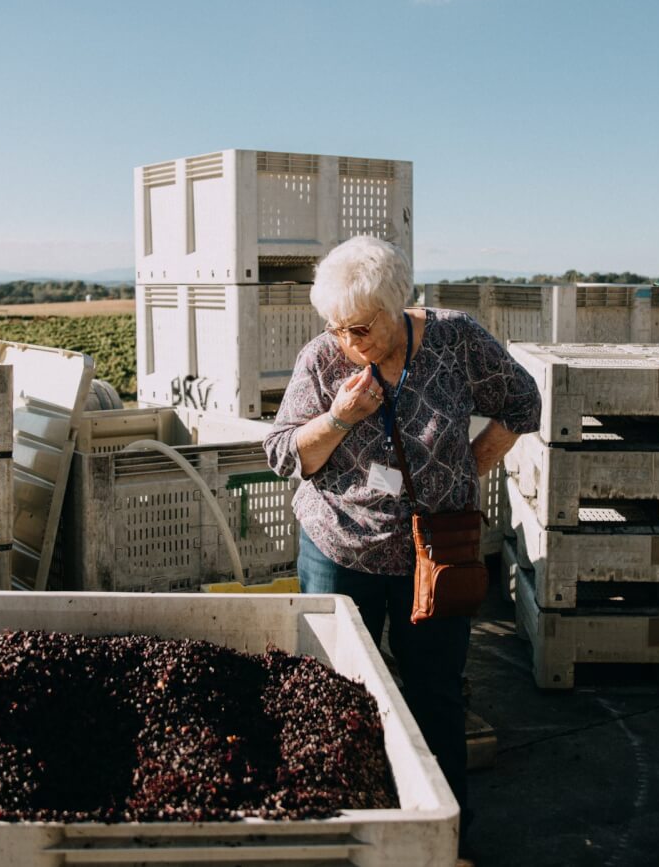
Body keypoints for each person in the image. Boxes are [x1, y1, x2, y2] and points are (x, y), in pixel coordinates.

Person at [263, 235, 541, 858]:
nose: (346, 342)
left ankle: (444, 837)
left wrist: (470, 469)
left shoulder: (456, 340)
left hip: (432, 558)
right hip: (339, 550)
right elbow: (283, 454)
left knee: (436, 695)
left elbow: (523, 403)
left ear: (398, 307)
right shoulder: (322, 362)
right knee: (332, 694)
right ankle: (341, 833)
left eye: (359, 328)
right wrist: (338, 419)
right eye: (335, 328)